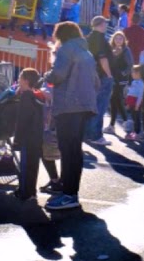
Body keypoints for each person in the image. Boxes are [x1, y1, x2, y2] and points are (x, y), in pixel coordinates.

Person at [43, 21, 98, 211]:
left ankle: (68, 194)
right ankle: (71, 192)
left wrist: (46, 77)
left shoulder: (66, 50)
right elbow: (96, 82)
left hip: (68, 105)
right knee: (75, 151)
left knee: (67, 151)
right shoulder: (86, 52)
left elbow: (58, 75)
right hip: (85, 106)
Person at [12, 68, 45, 201]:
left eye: (20, 78)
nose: (18, 80)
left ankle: (25, 191)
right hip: (37, 135)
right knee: (33, 165)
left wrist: (17, 139)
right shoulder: (38, 95)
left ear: (25, 80)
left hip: (27, 136)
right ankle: (31, 191)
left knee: (25, 166)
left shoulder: (26, 96)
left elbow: (22, 120)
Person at [85, 16, 115, 145]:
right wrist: (109, 75)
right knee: (100, 106)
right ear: (101, 24)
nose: (106, 26)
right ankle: (96, 135)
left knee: (91, 106)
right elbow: (103, 59)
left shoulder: (88, 38)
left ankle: (87, 134)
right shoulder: (101, 40)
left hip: (90, 75)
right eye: (104, 23)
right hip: (102, 76)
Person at [107, 31, 134, 132]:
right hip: (112, 78)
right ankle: (113, 124)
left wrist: (123, 73)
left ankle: (124, 122)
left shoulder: (126, 50)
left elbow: (130, 64)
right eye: (116, 38)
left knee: (116, 100)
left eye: (120, 38)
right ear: (113, 39)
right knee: (114, 101)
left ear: (124, 40)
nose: (118, 40)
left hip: (121, 80)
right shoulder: (110, 49)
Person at [124, 64, 144, 141]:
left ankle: (137, 132)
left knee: (137, 118)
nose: (132, 74)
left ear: (138, 73)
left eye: (133, 72)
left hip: (136, 102)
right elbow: (130, 92)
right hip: (131, 102)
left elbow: (140, 95)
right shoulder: (134, 82)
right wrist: (127, 103)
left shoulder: (141, 83)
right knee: (133, 117)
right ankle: (133, 132)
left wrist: (137, 105)